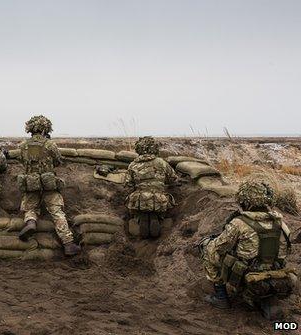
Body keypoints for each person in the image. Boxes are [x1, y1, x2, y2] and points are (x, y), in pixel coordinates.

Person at [199, 180, 295, 320]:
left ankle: (221, 297)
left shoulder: (239, 223)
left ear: (245, 201)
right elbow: (285, 253)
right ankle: (266, 298)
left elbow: (218, 247)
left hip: (245, 274)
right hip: (275, 274)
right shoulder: (282, 224)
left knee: (209, 248)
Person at [16, 115, 81, 256]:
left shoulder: (23, 145)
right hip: (49, 183)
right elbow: (58, 160)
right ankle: (68, 244)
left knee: (30, 208)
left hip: (31, 183)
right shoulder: (49, 144)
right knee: (57, 212)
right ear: (46, 128)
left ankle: (31, 223)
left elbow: (22, 160)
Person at [125, 136, 177, 238]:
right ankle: (158, 219)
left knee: (138, 214)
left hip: (139, 200)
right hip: (158, 199)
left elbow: (128, 183)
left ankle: (140, 221)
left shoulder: (133, 165)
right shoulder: (161, 162)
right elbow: (173, 178)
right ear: (154, 148)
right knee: (163, 208)